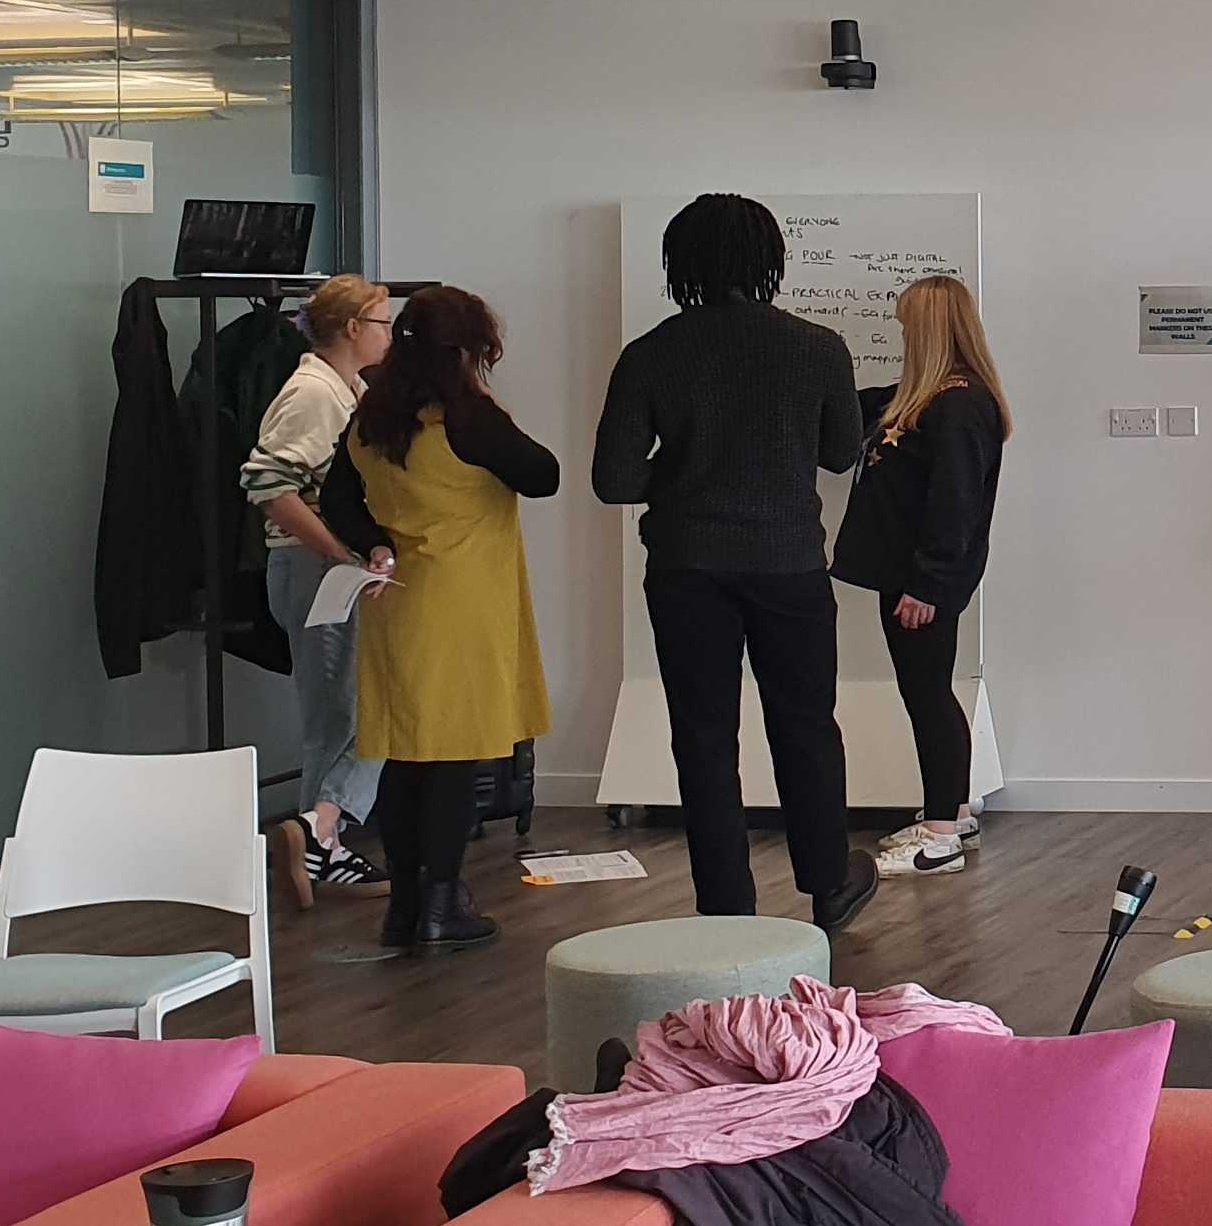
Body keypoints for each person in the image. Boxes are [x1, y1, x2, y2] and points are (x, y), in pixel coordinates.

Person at [594, 194, 879, 931]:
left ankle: (725, 902)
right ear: (770, 261)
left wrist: (687, 470)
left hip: (688, 566)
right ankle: (827, 882)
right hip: (788, 563)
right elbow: (840, 453)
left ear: (678, 263)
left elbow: (614, 481)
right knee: (806, 723)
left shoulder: (652, 353)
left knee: (701, 732)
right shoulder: (817, 347)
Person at [318, 287, 554, 954]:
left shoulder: (373, 418)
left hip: (395, 599)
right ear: (468, 349)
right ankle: (443, 905)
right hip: (464, 601)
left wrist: (377, 543)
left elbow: (336, 497)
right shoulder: (467, 419)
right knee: (453, 757)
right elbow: (544, 475)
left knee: (405, 757)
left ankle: (406, 904)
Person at [832, 275, 1008, 878]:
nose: (901, 335)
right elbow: (863, 405)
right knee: (924, 690)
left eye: (909, 326)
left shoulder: (958, 405)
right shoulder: (925, 397)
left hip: (922, 581)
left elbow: (954, 504)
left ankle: (941, 833)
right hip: (907, 574)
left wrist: (928, 584)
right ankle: (950, 813)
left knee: (929, 692)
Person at [242, 273, 398, 908]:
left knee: (339, 713)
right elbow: (267, 484)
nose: (392, 334)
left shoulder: (345, 389)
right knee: (355, 708)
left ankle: (318, 841)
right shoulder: (314, 394)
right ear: (354, 328)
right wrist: (340, 555)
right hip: (314, 568)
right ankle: (321, 829)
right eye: (383, 322)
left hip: (320, 567)